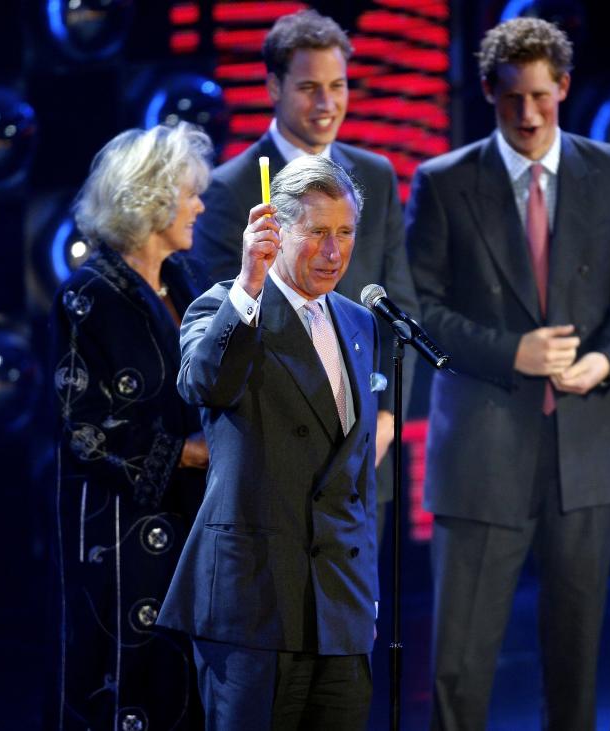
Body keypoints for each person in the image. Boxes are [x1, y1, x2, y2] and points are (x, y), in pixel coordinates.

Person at [406, 17, 610, 730]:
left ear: (566, 90)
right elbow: (414, 309)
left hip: (584, 456)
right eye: (512, 97)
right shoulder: (445, 182)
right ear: (488, 91)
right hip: (481, 455)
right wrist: (509, 351)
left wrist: (605, 358)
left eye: (542, 98)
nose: (527, 114)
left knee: (575, 666)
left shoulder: (608, 172)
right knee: (459, 669)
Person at [157, 154, 379, 730]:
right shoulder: (224, 307)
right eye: (317, 234)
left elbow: (357, 477)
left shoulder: (359, 325)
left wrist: (367, 595)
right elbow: (205, 383)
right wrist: (250, 285)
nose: (334, 252)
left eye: (345, 233)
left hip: (340, 606)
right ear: (275, 231)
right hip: (254, 604)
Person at [191, 9, 419, 538]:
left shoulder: (377, 175)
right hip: (273, 458)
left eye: (337, 86)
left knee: (359, 614)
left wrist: (386, 417)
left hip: (362, 449)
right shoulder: (231, 188)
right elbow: (217, 326)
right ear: (273, 86)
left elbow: (399, 300)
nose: (326, 103)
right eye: (309, 87)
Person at [51, 122, 212, 731]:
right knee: (128, 691)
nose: (200, 204)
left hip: (193, 521)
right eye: (189, 192)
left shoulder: (187, 280)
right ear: (150, 197)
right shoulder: (86, 296)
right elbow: (83, 431)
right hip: (118, 531)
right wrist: (186, 453)